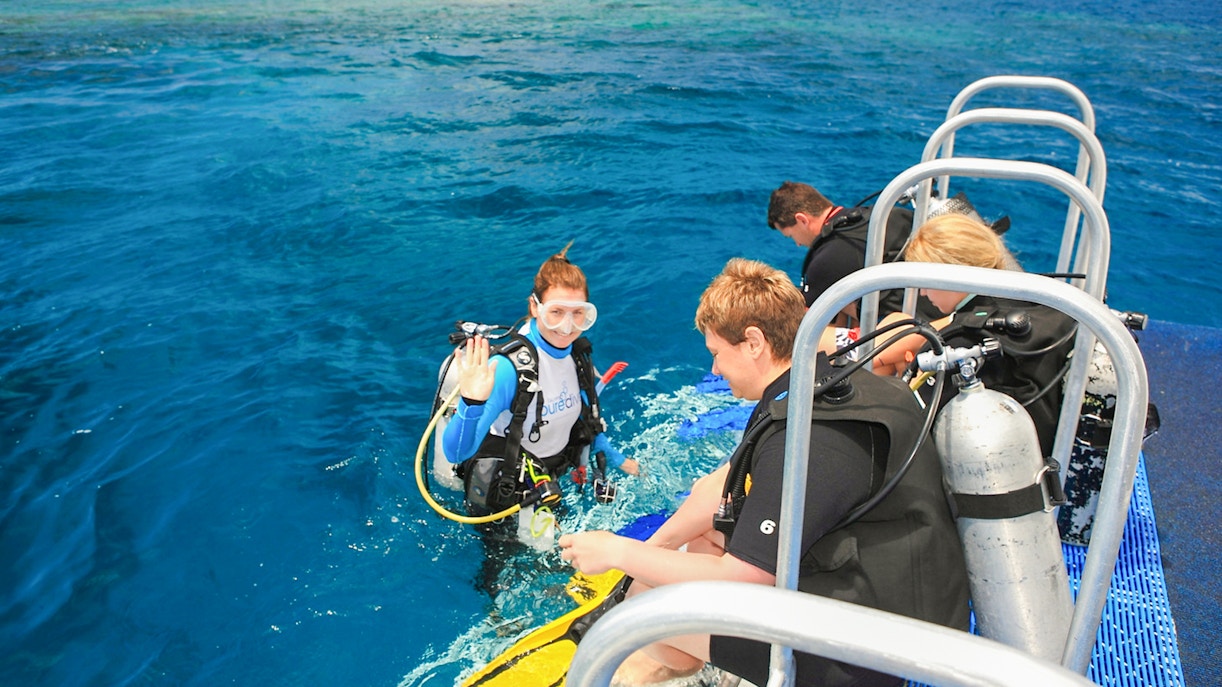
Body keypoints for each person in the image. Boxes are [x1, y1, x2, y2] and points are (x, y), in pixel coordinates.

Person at [558, 258, 969, 687]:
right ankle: (707, 652)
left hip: (879, 651)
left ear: (753, 342)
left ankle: (679, 661)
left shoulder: (813, 436)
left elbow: (745, 576)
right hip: (896, 583)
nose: (715, 369)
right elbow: (715, 489)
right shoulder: (820, 383)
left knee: (648, 607)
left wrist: (618, 554)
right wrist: (643, 557)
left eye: (717, 353)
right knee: (700, 538)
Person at [442, 242, 638, 529]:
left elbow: (585, 416)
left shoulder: (577, 354)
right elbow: (456, 452)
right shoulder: (510, 370)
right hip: (506, 495)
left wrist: (613, 455)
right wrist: (472, 402)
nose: (568, 326)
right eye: (556, 312)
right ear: (535, 307)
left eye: (578, 313)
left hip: (550, 481)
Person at [868, 213, 1078, 459]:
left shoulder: (962, 341)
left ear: (949, 274)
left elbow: (918, 429)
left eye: (924, 281)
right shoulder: (1035, 300)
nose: (922, 293)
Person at [766, 181, 936, 323]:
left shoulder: (826, 260)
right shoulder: (885, 214)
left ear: (802, 220)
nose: (797, 244)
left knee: (831, 306)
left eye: (791, 236)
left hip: (918, 324)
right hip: (940, 298)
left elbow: (803, 319)